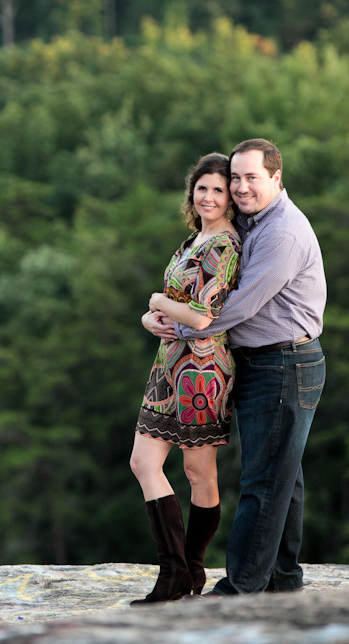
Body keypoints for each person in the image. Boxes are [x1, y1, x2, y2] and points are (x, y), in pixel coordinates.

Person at [141, 138, 326, 596]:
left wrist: (173, 324)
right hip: (261, 361)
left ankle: (241, 589)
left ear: (276, 178)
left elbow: (235, 308)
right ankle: (283, 579)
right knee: (286, 477)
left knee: (264, 480)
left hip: (284, 362)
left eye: (251, 179)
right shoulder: (249, 220)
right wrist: (154, 317)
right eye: (236, 179)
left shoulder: (282, 232)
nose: (241, 188)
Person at [129, 152, 242, 605]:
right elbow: (173, 307)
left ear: (230, 197)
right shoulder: (194, 240)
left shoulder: (226, 247)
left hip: (203, 369)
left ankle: (187, 569)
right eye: (202, 188)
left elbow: (201, 316)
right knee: (144, 461)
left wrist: (157, 299)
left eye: (218, 190)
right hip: (168, 363)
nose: (209, 197)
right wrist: (148, 315)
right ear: (191, 193)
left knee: (199, 473)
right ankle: (176, 570)